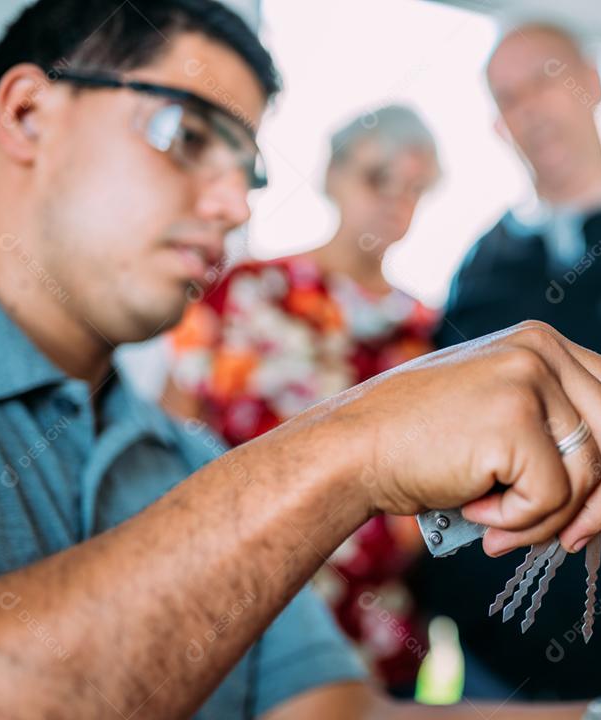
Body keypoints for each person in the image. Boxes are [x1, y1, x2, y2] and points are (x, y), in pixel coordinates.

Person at [0, 2, 601, 718]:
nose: (235, 205)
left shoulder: (179, 465)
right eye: (185, 136)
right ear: (26, 112)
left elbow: (335, 713)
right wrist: (351, 446)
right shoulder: (228, 455)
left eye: (248, 171)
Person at [415, 21, 601, 701]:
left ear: (591, 84)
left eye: (545, 80)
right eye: (508, 96)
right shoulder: (481, 262)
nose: (529, 108)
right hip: (501, 655)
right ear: (498, 124)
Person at [162, 105, 441, 694]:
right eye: (377, 177)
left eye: (413, 187)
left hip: (370, 628)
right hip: (233, 608)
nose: (394, 200)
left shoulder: (426, 332)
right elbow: (170, 431)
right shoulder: (242, 292)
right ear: (333, 175)